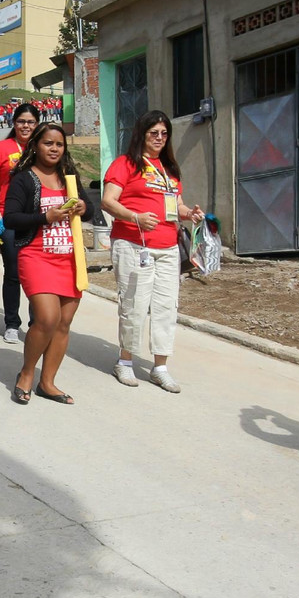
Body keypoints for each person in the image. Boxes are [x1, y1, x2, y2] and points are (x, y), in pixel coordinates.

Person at [101, 109, 204, 393]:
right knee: (134, 304)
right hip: (134, 244)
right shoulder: (125, 164)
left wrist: (189, 214)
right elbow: (108, 201)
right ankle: (125, 362)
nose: (159, 138)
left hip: (168, 246)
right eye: (153, 133)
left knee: (165, 308)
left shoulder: (169, 169)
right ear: (142, 135)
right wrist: (134, 217)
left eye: (163, 134)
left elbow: (176, 206)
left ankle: (160, 367)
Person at [4, 123, 90, 404]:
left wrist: (83, 207)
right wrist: (45, 217)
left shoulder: (70, 178)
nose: (54, 149)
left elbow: (91, 209)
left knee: (64, 323)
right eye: (48, 143)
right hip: (36, 255)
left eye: (59, 144)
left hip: (69, 257)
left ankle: (48, 382)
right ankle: (27, 373)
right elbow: (12, 218)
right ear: (36, 145)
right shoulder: (24, 179)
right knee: (47, 318)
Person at [0, 102, 41, 343]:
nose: (25, 126)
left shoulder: (42, 147)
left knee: (37, 274)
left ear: (37, 124)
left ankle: (37, 323)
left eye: (30, 122)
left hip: (38, 220)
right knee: (14, 272)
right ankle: (11, 324)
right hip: (7, 219)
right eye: (21, 121)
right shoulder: (1, 148)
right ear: (13, 123)